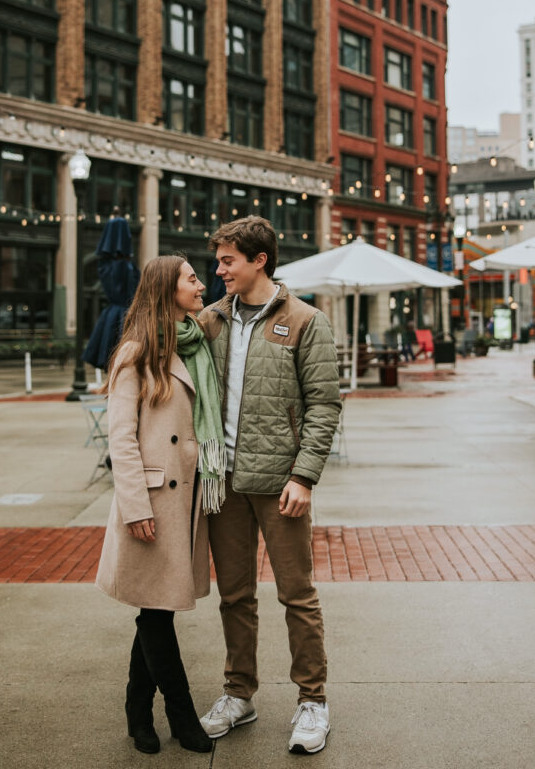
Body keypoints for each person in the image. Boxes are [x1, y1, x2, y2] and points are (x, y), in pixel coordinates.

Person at [198, 216, 342, 755]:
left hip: (281, 483)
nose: (219, 271)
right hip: (224, 483)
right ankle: (240, 694)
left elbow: (325, 405)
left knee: (296, 595)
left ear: (259, 260)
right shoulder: (209, 320)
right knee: (233, 596)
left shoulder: (306, 320)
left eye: (228, 261)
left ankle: (313, 701)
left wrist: (304, 475)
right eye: (217, 262)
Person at [95, 255, 226, 755]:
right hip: (151, 503)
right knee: (157, 612)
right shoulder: (135, 353)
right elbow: (121, 439)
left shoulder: (195, 345)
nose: (200, 284)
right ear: (166, 290)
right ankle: (181, 713)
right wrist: (135, 508)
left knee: (157, 609)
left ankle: (136, 708)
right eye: (191, 278)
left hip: (186, 500)